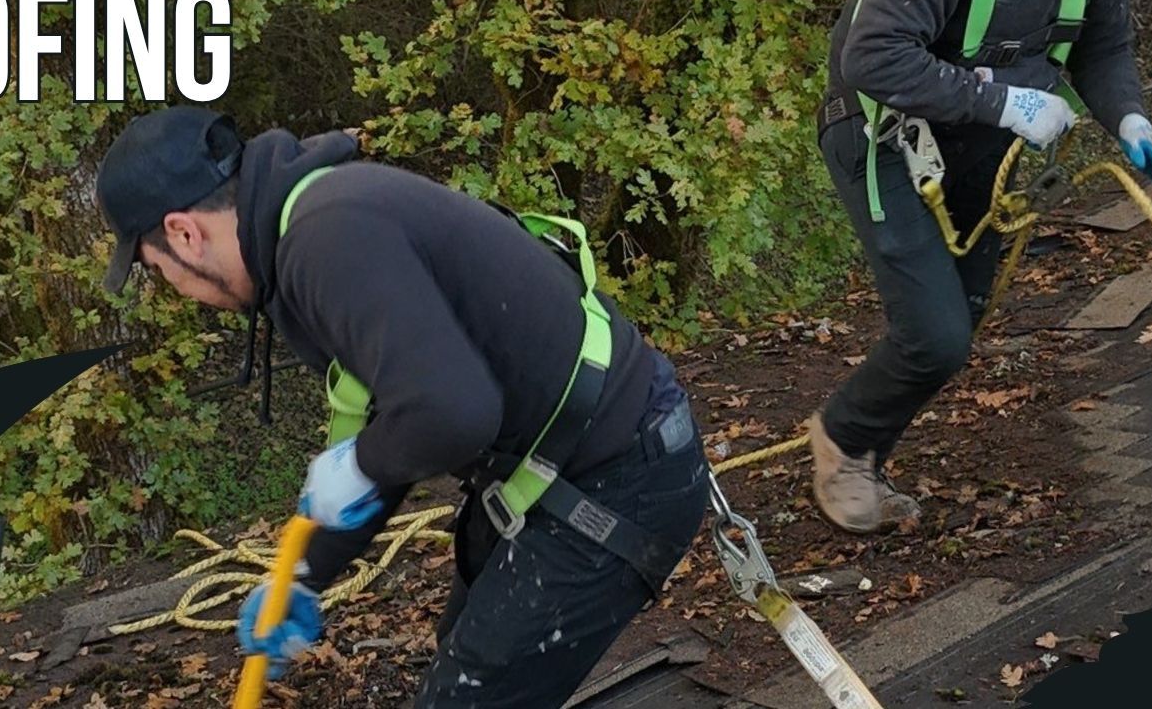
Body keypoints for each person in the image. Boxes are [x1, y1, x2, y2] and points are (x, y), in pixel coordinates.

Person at [95, 106, 710, 708]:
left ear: (183, 233)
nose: (178, 291)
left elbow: (454, 413)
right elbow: (406, 421)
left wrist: (359, 463)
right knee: (465, 665)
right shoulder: (311, 224)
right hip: (560, 461)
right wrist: (306, 575)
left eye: (157, 271)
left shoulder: (326, 240)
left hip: (619, 473)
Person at [811, 0, 1152, 534]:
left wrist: (1131, 119)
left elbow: (1104, 47)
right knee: (937, 336)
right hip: (883, 131)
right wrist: (1010, 106)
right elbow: (873, 55)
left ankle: (866, 449)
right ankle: (841, 444)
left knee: (965, 316)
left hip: (974, 141)